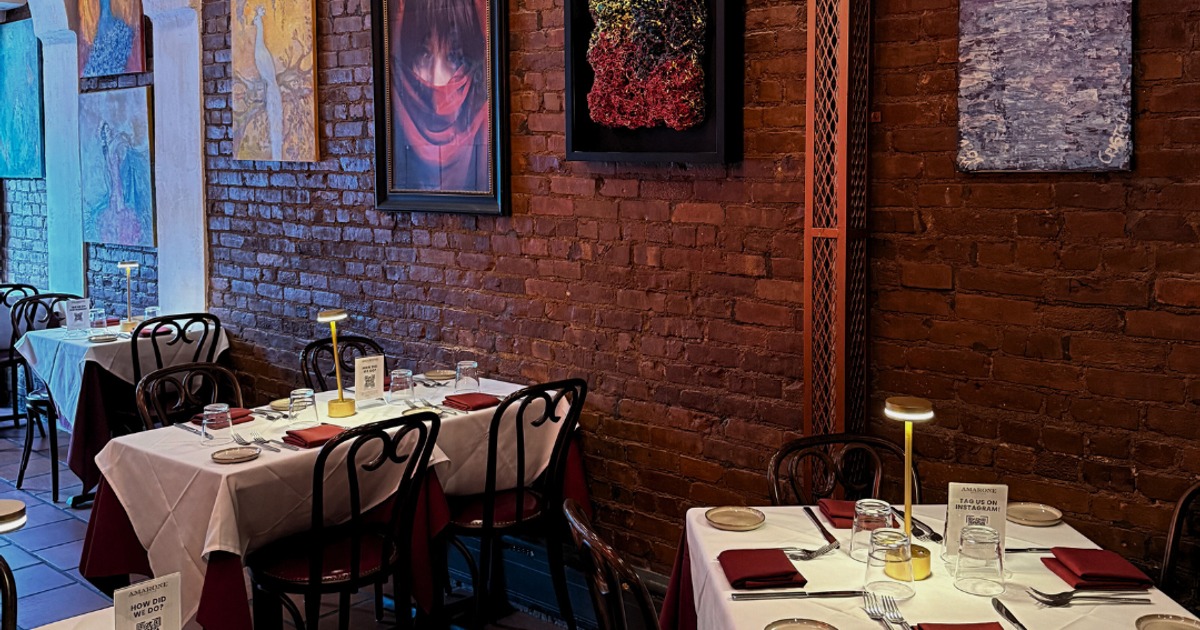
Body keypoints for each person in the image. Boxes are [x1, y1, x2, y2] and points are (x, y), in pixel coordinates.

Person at [390, 0, 490, 192]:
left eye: (453, 57)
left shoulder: (488, 122)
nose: (437, 81)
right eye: (423, 55)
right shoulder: (392, 119)